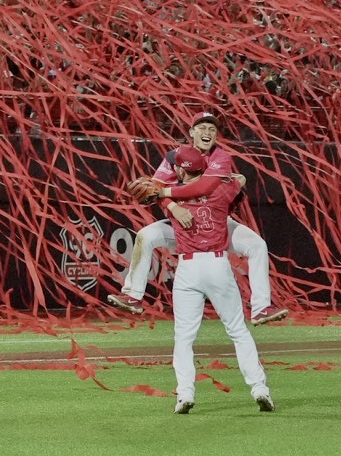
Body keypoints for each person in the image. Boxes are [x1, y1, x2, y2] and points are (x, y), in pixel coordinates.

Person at [109, 111, 288, 325]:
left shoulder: (220, 157)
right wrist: (174, 207)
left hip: (215, 226)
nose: (207, 132)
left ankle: (261, 308)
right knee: (145, 236)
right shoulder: (173, 156)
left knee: (257, 245)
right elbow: (153, 189)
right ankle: (132, 295)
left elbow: (203, 187)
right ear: (191, 132)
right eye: (202, 127)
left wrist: (167, 193)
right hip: (181, 227)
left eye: (212, 129)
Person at [158, 145, 274, 414]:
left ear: (178, 170)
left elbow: (156, 192)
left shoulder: (172, 198)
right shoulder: (222, 187)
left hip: (188, 268)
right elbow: (239, 181)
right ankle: (259, 388)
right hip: (217, 264)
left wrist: (166, 197)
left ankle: (185, 394)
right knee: (237, 330)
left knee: (183, 337)